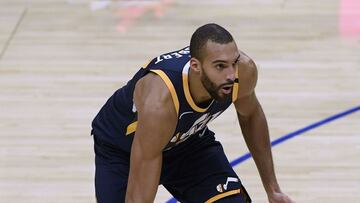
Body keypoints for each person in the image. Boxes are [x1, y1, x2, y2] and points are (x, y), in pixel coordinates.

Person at [91, 23, 295, 203]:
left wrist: (273, 189)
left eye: (233, 62)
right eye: (220, 66)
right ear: (196, 66)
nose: (231, 75)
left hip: (187, 143)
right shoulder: (161, 102)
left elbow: (250, 116)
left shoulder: (244, 72)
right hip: (122, 150)